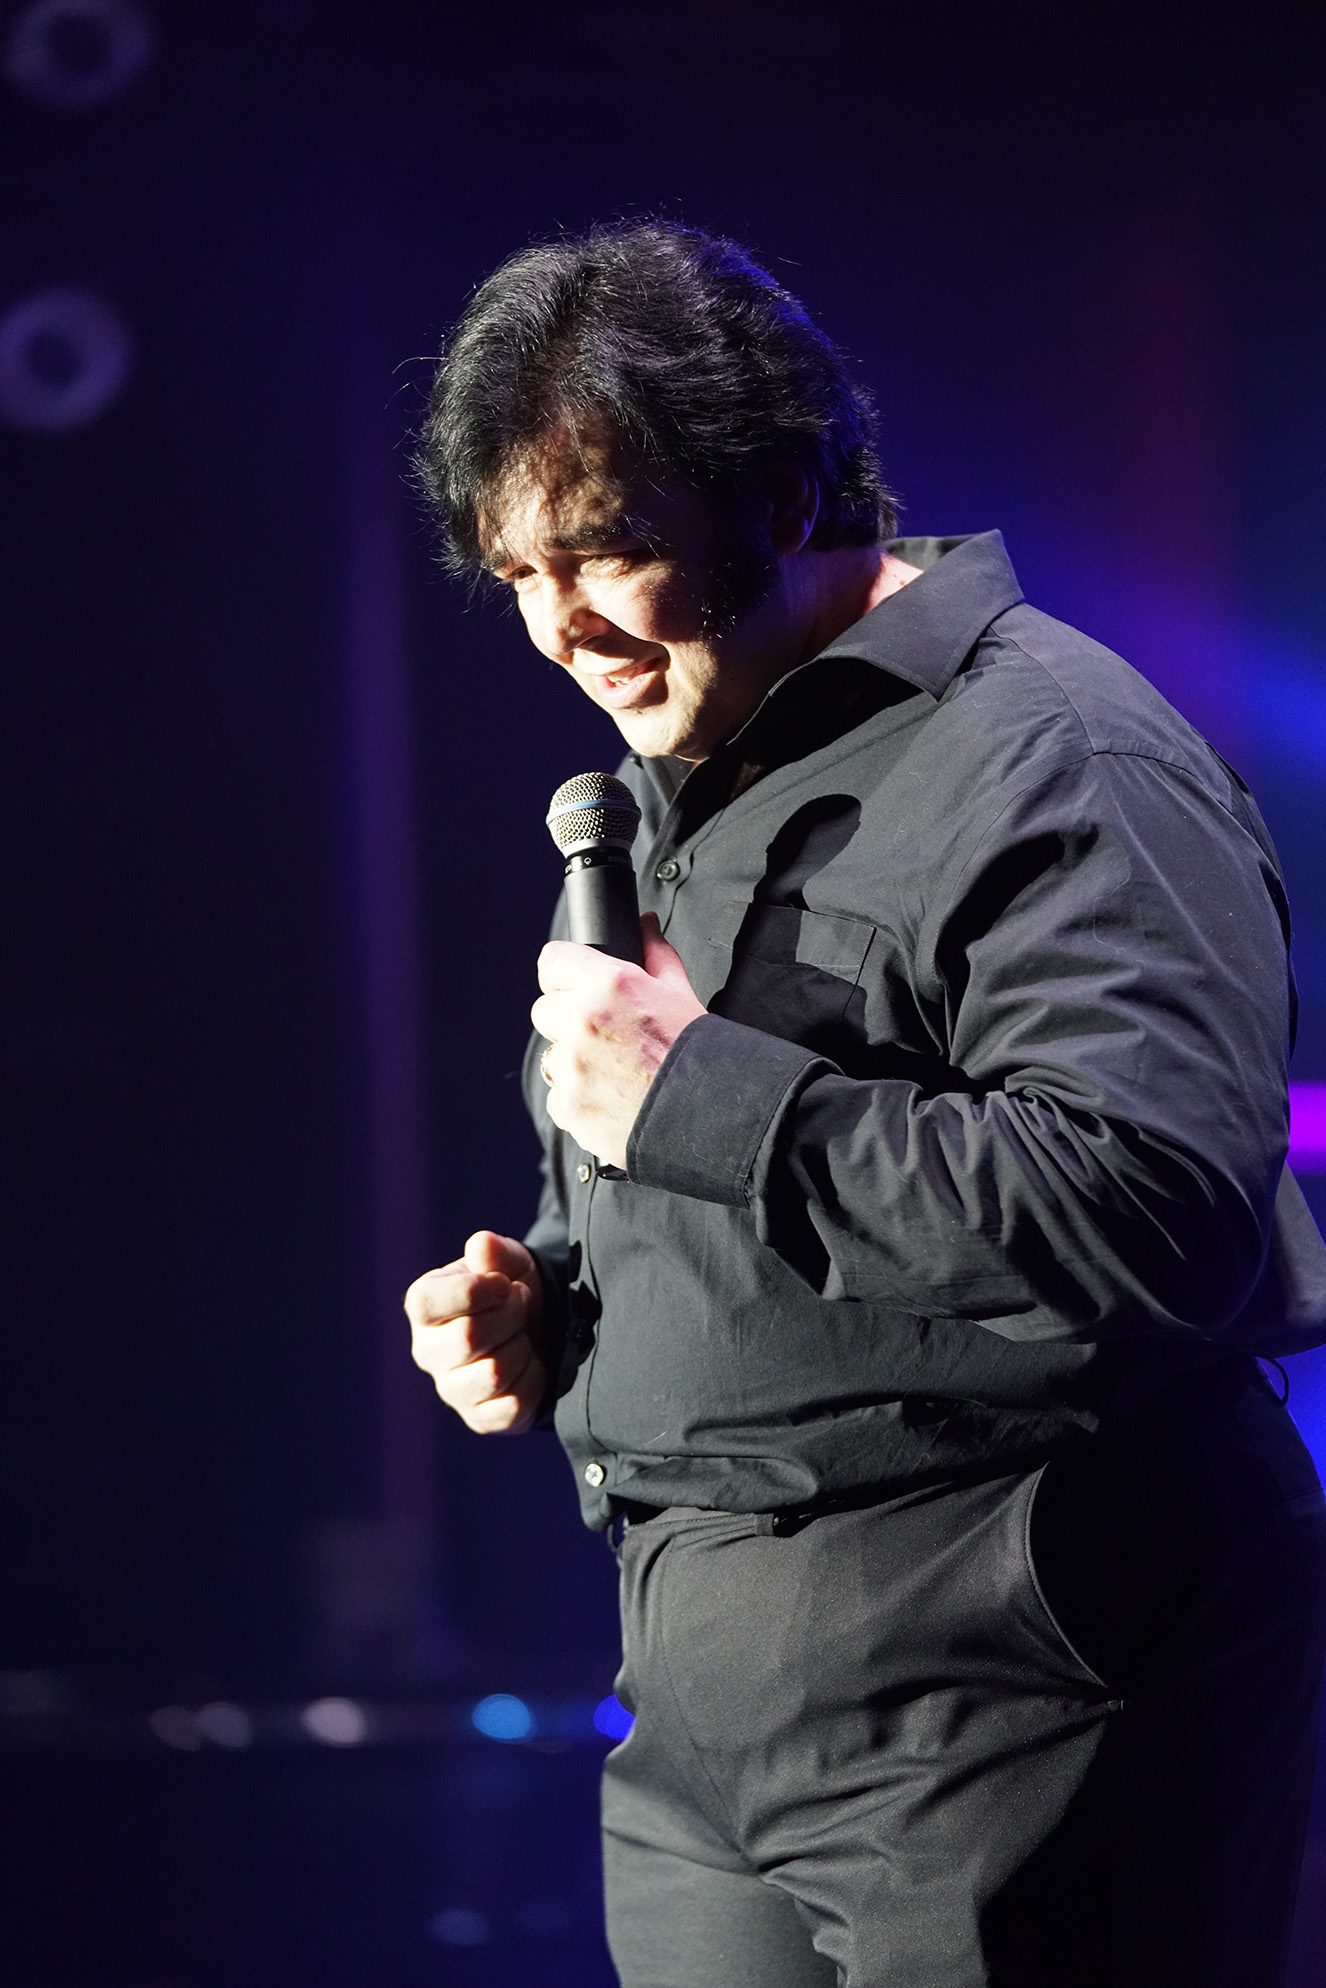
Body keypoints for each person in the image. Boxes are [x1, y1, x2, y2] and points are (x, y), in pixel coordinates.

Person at [404, 222, 1326, 1987]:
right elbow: (739, 1192)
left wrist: (700, 1097)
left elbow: (1156, 1212)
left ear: (788, 491)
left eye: (607, 554)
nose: (561, 628)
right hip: (698, 1703)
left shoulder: (1057, 754)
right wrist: (552, 1301)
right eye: (518, 574)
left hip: (1008, 1665)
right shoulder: (684, 769)